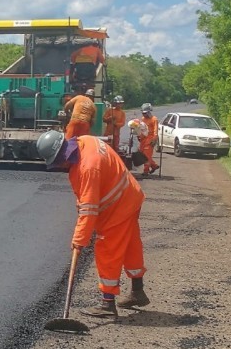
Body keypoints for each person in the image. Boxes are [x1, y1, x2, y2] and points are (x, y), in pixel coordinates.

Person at [36, 130, 150, 317]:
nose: (60, 166)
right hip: (129, 196)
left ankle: (107, 303)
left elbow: (89, 210)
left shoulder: (88, 168)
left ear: (62, 155)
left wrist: (79, 240)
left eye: (57, 161)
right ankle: (138, 291)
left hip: (118, 207)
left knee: (107, 249)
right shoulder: (85, 141)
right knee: (130, 245)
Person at [139, 103, 159, 175]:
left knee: (146, 156)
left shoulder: (154, 119)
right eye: (143, 113)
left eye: (145, 113)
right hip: (143, 140)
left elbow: (155, 130)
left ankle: (146, 171)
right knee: (141, 155)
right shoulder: (142, 119)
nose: (143, 115)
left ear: (149, 112)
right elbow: (141, 129)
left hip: (150, 140)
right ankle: (154, 165)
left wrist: (154, 139)